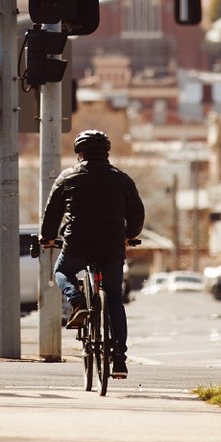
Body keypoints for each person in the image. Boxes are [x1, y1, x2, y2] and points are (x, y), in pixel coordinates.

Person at [41, 128, 145, 379]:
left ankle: (77, 301)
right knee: (114, 300)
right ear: (106, 153)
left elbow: (52, 213)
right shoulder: (122, 178)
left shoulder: (67, 177)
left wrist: (48, 237)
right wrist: (130, 234)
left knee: (62, 270)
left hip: (77, 242)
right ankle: (119, 358)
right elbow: (136, 213)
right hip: (111, 245)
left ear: (79, 153)